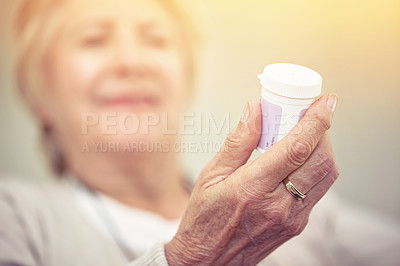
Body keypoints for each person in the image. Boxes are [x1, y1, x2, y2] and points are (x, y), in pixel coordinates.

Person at [0, 0, 398, 265]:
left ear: (185, 81)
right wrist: (194, 256)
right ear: (40, 96)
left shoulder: (288, 210)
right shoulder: (15, 219)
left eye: (156, 39)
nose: (131, 61)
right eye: (93, 39)